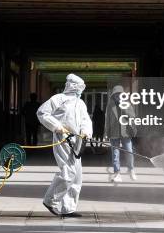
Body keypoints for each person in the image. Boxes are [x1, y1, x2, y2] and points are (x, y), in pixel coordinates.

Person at [37, 74, 92, 218]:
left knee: (77, 176)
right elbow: (42, 112)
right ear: (73, 85)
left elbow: (86, 120)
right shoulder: (58, 99)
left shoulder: (80, 103)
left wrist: (86, 133)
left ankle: (68, 208)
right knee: (69, 172)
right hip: (63, 139)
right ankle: (51, 201)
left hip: (78, 141)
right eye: (80, 87)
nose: (81, 89)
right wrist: (57, 126)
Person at [105, 85, 137, 183]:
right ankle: (117, 173)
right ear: (113, 95)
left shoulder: (127, 104)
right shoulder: (110, 105)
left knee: (129, 150)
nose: (117, 96)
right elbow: (107, 119)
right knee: (115, 153)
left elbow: (132, 116)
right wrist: (106, 132)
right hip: (113, 132)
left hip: (125, 132)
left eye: (119, 94)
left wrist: (124, 108)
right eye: (116, 94)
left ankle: (131, 169)